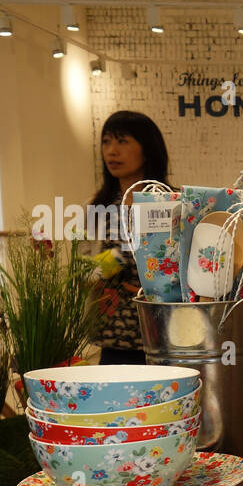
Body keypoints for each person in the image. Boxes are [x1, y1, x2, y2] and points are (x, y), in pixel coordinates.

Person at [89, 111, 171, 365]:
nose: (112, 151)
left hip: (158, 333)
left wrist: (155, 295)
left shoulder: (167, 202)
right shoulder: (98, 207)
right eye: (106, 142)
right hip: (111, 337)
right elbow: (87, 266)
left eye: (122, 141)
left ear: (147, 150)